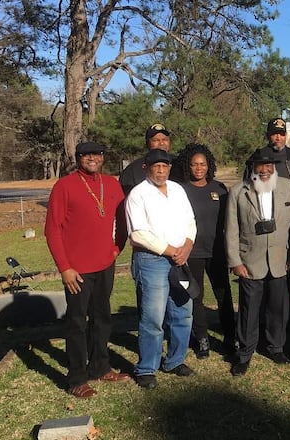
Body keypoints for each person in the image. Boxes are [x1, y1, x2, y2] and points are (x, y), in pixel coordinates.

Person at [45, 141, 131, 398]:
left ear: (103, 157)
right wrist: (65, 268)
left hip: (105, 264)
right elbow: (52, 229)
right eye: (86, 155)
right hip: (77, 270)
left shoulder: (112, 184)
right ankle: (77, 378)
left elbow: (123, 220)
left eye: (97, 154)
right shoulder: (64, 186)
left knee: (102, 319)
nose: (92, 158)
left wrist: (117, 249)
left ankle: (101, 366)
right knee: (76, 323)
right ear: (78, 157)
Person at [126, 148, 197, 389]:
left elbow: (190, 221)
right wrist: (170, 251)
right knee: (153, 317)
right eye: (156, 166)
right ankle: (147, 367)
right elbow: (139, 233)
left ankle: (175, 361)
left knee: (182, 312)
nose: (161, 170)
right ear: (146, 168)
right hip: (152, 260)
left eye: (165, 166)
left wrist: (187, 245)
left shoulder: (177, 190)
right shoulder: (138, 194)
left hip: (180, 258)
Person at [226, 152, 290, 376]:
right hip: (250, 260)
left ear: (274, 167)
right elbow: (231, 230)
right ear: (253, 168)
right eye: (260, 166)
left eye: (269, 165)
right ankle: (245, 353)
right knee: (249, 309)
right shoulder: (238, 192)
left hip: (280, 260)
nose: (265, 170)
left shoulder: (289, 188)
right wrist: (235, 261)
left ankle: (275, 347)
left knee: (278, 307)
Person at [175, 143, 236, 358]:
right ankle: (202, 339)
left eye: (203, 164)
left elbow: (230, 222)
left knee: (224, 294)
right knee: (196, 296)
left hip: (217, 250)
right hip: (193, 252)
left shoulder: (219, 189)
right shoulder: (180, 190)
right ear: (188, 166)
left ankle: (230, 336)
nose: (199, 168)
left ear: (209, 165)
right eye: (194, 164)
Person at [250, 118, 290, 331]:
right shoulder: (257, 156)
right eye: (274, 133)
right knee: (265, 276)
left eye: (282, 133)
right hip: (263, 223)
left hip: (289, 219)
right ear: (268, 135)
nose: (278, 137)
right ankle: (265, 321)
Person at [119, 123, 173, 195]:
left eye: (165, 139)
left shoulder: (179, 164)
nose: (161, 143)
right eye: (156, 140)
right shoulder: (133, 170)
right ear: (147, 143)